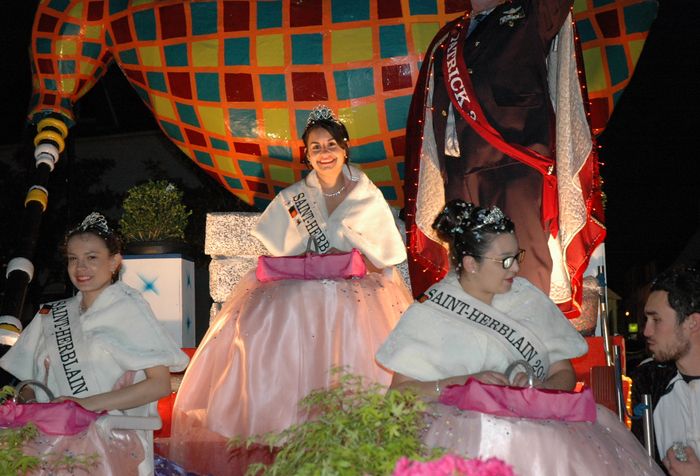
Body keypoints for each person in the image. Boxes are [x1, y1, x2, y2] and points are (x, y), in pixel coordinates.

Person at [169, 105, 412, 474]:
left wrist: (352, 252)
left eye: (331, 145)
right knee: (286, 304)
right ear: (306, 154)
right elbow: (280, 247)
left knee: (335, 306)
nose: (325, 153)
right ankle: (281, 419)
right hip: (303, 285)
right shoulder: (296, 198)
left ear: (345, 149)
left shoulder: (366, 194)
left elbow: (386, 255)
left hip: (358, 290)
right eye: (315, 147)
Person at [376, 200, 664, 475]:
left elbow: (563, 372)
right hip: (457, 444)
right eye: (504, 261)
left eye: (517, 257)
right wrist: (462, 383)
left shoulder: (528, 297)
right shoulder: (433, 308)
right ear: (471, 263)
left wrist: (541, 387)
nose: (515, 268)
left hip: (540, 442)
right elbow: (399, 395)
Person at [403, 0, 605, 314]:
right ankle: (482, 352)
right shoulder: (449, 37)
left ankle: (529, 349)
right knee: (469, 273)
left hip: (515, 163)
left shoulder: (531, 13)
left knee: (520, 265)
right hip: (458, 171)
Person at [0, 212, 190, 476]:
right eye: (73, 259)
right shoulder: (52, 314)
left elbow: (158, 384)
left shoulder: (130, 309)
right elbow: (28, 382)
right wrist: (30, 403)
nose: (80, 268)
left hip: (107, 439)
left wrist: (81, 405)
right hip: (45, 437)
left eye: (91, 258)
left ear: (114, 262)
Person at [631, 266, 700, 475]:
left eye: (656, 320)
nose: (646, 331)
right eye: (646, 320)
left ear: (692, 322)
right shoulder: (649, 382)